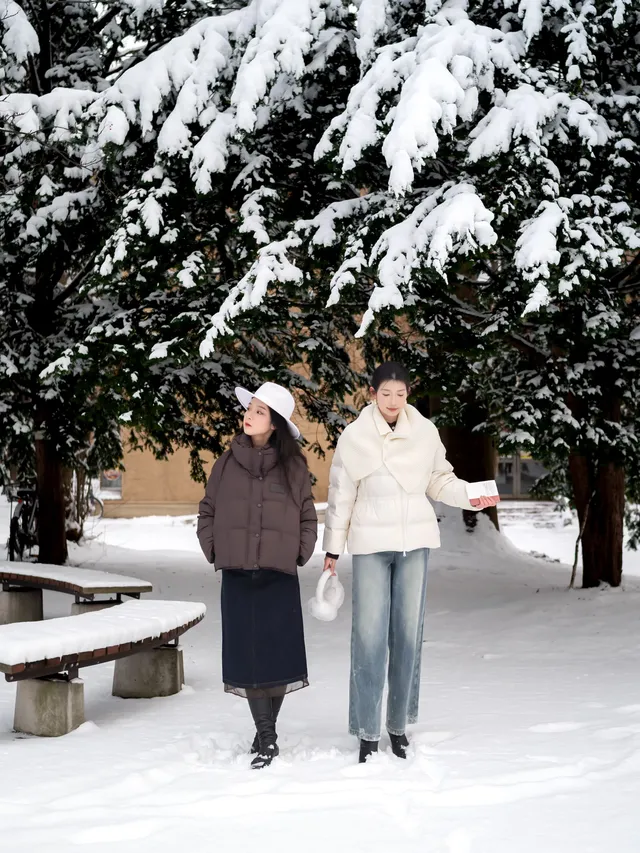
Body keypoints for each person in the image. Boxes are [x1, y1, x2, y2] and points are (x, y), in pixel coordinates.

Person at [323, 362, 500, 763]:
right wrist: (332, 550)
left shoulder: (425, 432)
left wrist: (471, 495)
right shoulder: (354, 437)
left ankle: (398, 726)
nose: (393, 401)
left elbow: (439, 481)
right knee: (369, 638)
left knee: (407, 637)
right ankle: (367, 731)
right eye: (385, 394)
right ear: (372, 394)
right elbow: (340, 495)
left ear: (408, 394)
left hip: (415, 545)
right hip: (370, 545)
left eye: (400, 394)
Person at [197, 382, 317, 769]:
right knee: (248, 657)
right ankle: (267, 737)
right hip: (238, 573)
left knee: (277, 657)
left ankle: (265, 733)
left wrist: (299, 551)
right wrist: (214, 548)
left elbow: (308, 515)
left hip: (278, 573)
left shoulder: (294, 467)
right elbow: (207, 510)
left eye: (260, 411)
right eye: (250, 408)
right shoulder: (226, 463)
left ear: (275, 423)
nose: (249, 415)